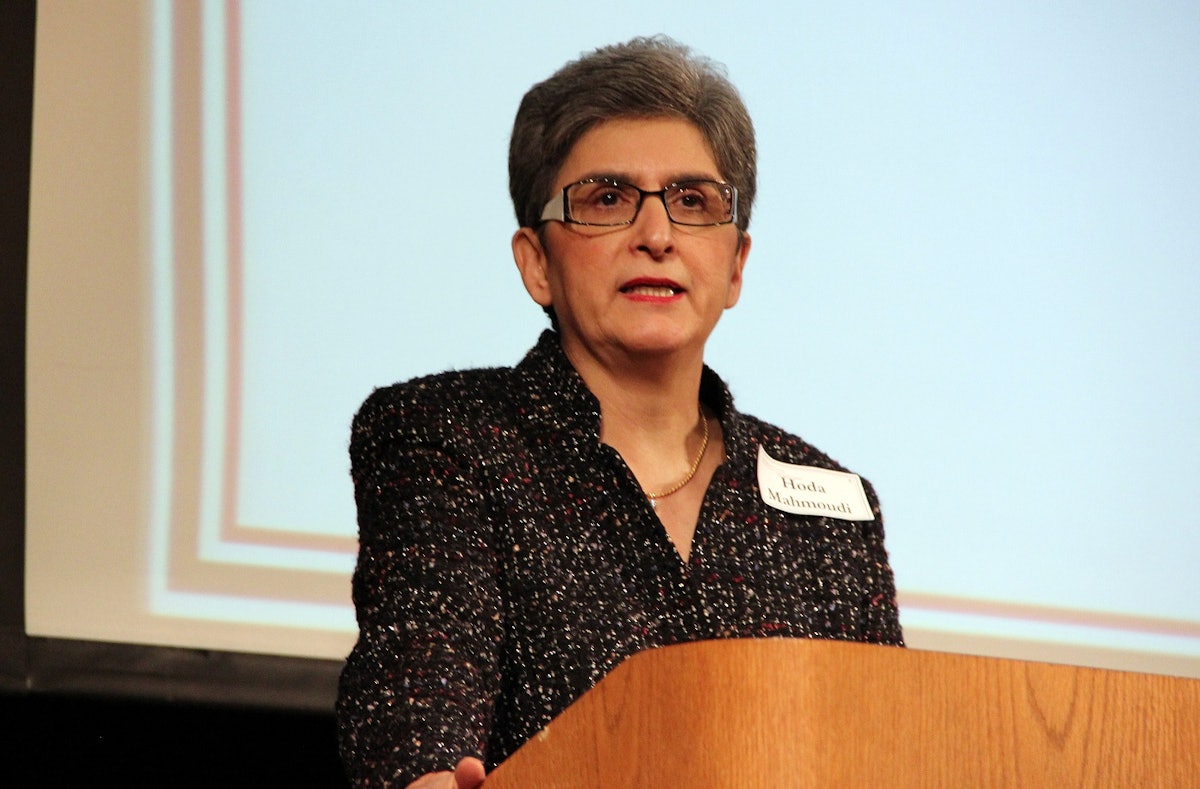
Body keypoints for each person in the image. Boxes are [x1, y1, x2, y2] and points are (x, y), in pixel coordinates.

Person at [336, 35, 904, 788]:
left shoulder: (832, 505)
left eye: (693, 201)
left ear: (735, 265)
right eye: (608, 199)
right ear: (536, 261)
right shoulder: (446, 436)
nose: (657, 235)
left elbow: (893, 748)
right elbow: (420, 692)